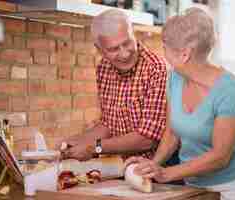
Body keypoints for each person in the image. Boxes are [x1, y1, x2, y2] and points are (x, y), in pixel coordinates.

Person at [125, 7, 235, 200]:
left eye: (164, 46)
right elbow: (171, 134)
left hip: (231, 189)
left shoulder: (230, 90)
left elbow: (220, 156)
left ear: (184, 54)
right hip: (191, 187)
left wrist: (166, 173)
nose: (163, 52)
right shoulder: (174, 79)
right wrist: (152, 166)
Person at [58, 9, 180, 167]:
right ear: (99, 49)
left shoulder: (156, 69)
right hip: (125, 166)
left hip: (161, 165)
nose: (124, 54)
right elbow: (109, 124)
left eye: (127, 43)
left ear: (133, 34)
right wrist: (73, 142)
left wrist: (94, 147)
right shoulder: (104, 68)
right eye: (114, 49)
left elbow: (147, 139)